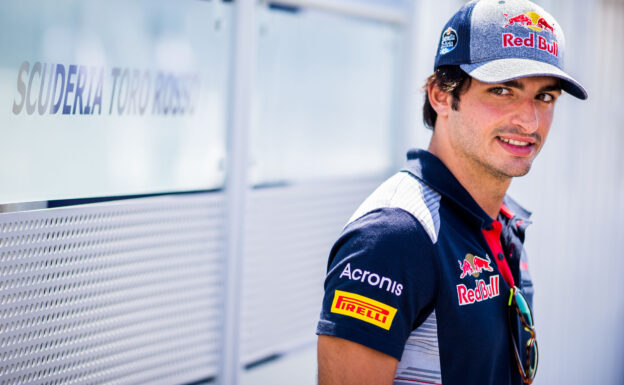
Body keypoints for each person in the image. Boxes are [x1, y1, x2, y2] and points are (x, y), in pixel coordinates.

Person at [315, 0, 587, 384]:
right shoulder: (396, 235)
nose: (530, 120)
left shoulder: (500, 219)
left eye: (545, 97)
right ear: (441, 95)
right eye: (503, 90)